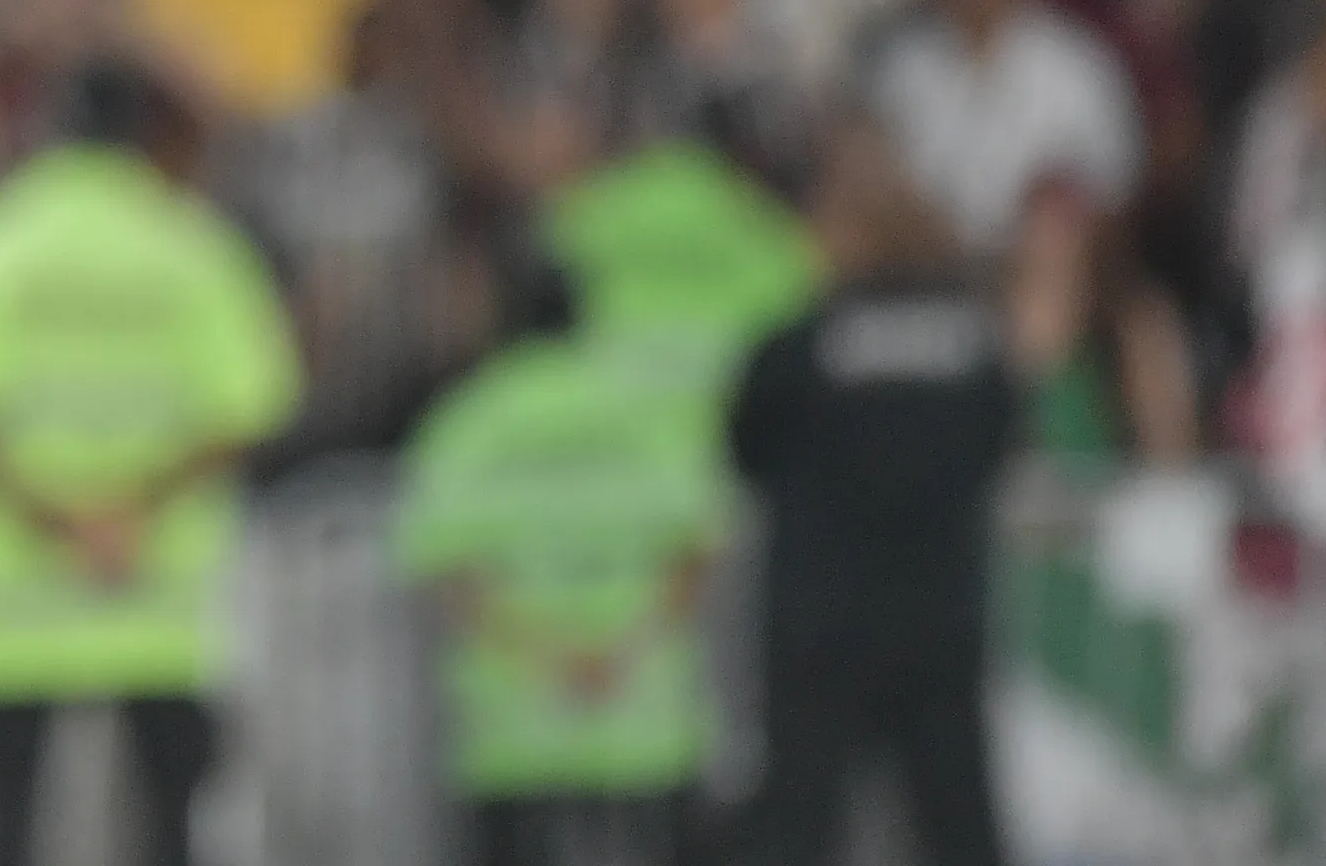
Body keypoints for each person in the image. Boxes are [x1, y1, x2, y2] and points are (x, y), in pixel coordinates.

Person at [0, 67, 301, 866]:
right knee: (171, 826)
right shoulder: (198, 247)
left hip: (14, 595)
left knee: (5, 824)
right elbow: (247, 408)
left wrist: (57, 518)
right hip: (159, 592)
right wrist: (129, 515)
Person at [726, 118, 1015, 866]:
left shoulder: (803, 343)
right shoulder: (971, 340)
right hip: (939, 619)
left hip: (820, 624)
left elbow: (743, 444)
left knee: (797, 828)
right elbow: (999, 440)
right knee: (959, 827)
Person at [393, 296, 731, 866]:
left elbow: (449, 573)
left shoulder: (470, 415)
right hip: (644, 715)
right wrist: (620, 654)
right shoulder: (651, 409)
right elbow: (695, 551)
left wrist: (549, 659)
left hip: (512, 723)